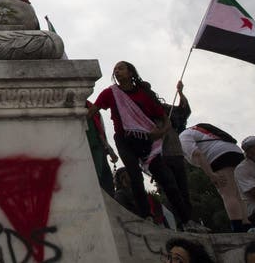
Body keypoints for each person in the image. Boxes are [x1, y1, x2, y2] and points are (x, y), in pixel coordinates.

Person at [87, 61, 199, 231]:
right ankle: (146, 216)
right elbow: (92, 112)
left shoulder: (144, 94)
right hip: (125, 140)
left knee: (168, 180)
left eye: (121, 68)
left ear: (131, 72)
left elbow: (165, 119)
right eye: (115, 70)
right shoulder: (111, 93)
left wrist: (161, 133)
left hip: (148, 141)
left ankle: (187, 221)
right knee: (135, 177)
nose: (117, 71)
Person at [179, 123, 248, 231]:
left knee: (228, 193)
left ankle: (238, 228)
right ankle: (246, 225)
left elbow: (197, 154)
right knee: (238, 194)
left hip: (220, 155)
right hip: (236, 152)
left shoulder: (182, 137)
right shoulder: (198, 129)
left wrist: (211, 175)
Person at [160, 80, 193, 224]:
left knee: (183, 190)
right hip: (160, 155)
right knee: (170, 191)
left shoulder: (165, 110)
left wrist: (180, 92)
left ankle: (190, 220)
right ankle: (178, 223)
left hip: (175, 152)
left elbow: (184, 109)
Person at [85, 100, 118, 195]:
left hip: (98, 147)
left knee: (106, 181)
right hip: (87, 149)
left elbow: (100, 130)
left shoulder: (92, 106)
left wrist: (109, 150)